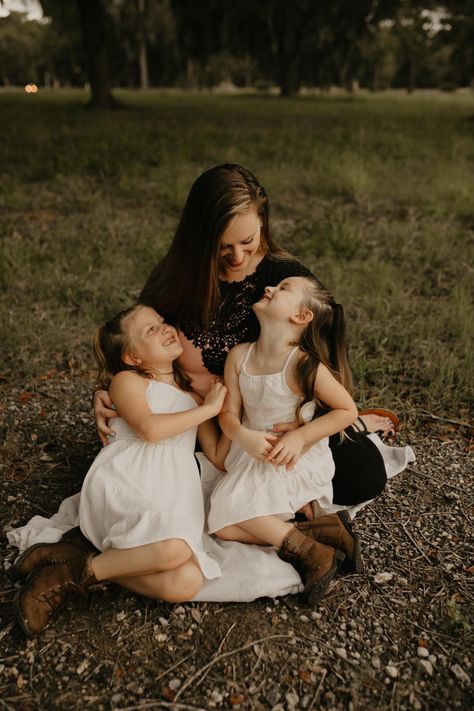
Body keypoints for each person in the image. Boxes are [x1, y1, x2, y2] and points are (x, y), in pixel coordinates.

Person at [94, 163, 393, 506]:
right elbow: (135, 341)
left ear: (263, 220)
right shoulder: (176, 278)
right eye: (222, 247)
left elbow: (321, 369)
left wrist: (303, 433)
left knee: (362, 476)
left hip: (275, 420)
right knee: (136, 481)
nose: (236, 257)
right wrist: (106, 388)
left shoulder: (285, 284)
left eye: (247, 241)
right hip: (197, 424)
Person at [13, 305, 228, 637]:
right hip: (129, 481)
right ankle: (58, 580)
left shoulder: (193, 398)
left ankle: (77, 561)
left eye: (161, 322)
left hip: (171, 491)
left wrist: (242, 417)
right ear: (132, 357)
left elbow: (216, 454)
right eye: (150, 330)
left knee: (186, 581)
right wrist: (208, 409)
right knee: (177, 549)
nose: (165, 328)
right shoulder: (128, 381)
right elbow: (150, 429)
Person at [207, 275, 361, 605]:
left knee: (227, 510)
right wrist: (241, 436)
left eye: (283, 289)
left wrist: (301, 437)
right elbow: (228, 415)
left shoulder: (303, 364)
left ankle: (312, 553)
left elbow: (346, 410)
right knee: (222, 526)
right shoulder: (240, 356)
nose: (270, 288)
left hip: (293, 458)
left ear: (301, 317)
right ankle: (320, 535)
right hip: (253, 453)